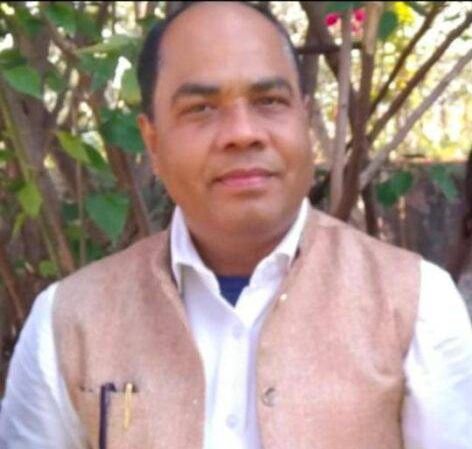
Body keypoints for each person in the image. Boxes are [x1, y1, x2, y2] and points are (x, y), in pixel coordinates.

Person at [1, 2, 472, 448]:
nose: (243, 133)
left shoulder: (415, 305)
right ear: (153, 141)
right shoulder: (69, 321)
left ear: (304, 119)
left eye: (269, 100)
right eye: (201, 109)